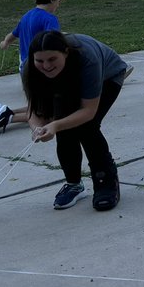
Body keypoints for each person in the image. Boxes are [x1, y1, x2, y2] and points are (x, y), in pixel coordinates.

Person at [24, 30, 130, 211]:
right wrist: (36, 128)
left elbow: (88, 111)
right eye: (40, 61)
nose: (46, 65)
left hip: (108, 76)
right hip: (67, 79)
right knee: (65, 127)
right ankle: (74, 184)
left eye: (51, 59)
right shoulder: (30, 69)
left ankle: (105, 181)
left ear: (65, 52)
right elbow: (35, 109)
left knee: (87, 127)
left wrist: (55, 125)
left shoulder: (87, 59)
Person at [0, 0, 64, 136]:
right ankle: (7, 117)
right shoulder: (49, 19)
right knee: (49, 115)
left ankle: (4, 112)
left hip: (25, 68)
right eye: (58, 1)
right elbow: (53, 42)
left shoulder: (27, 16)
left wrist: (5, 43)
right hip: (42, 69)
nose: (58, 5)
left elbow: (13, 34)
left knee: (38, 105)